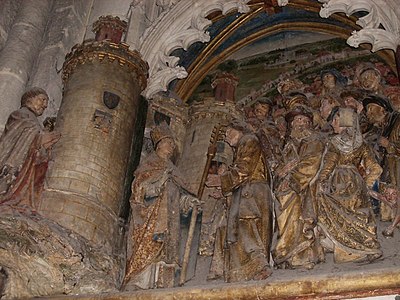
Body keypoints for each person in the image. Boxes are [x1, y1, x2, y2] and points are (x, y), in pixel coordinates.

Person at [123, 122, 200, 290]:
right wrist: (160, 181)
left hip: (170, 220)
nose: (172, 146)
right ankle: (139, 282)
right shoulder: (149, 165)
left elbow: (178, 197)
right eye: (168, 142)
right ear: (158, 145)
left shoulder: (174, 170)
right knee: (148, 250)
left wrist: (188, 201)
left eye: (173, 143)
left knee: (167, 253)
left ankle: (162, 284)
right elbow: (139, 191)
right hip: (151, 219)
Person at [206, 119, 273, 282]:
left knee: (245, 227)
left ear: (240, 129)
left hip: (252, 193)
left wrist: (220, 181)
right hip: (246, 192)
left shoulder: (248, 139)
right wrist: (223, 190)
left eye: (230, 132)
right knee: (232, 227)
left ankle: (259, 266)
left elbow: (244, 170)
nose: (227, 138)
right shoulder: (243, 145)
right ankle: (237, 268)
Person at [316, 108, 382, 263]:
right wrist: (366, 184)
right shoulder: (362, 144)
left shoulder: (335, 142)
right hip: (356, 181)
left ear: (345, 122)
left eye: (336, 119)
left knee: (337, 213)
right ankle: (368, 247)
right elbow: (376, 168)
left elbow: (328, 165)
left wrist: (321, 181)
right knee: (359, 215)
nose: (332, 123)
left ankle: (347, 250)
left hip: (339, 182)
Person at [273, 106, 324, 269]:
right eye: (297, 121)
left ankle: (302, 256)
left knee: (301, 220)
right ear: (292, 125)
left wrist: (293, 180)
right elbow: (280, 167)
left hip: (303, 188)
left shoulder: (313, 140)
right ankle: (287, 255)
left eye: (305, 121)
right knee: (285, 221)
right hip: (285, 189)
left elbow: (312, 162)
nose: (301, 124)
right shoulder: (287, 144)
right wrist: (280, 172)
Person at [0, 87, 60, 209]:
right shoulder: (19, 114)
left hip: (27, 166)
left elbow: (35, 140)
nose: (45, 105)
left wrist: (44, 145)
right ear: (29, 99)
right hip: (12, 161)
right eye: (42, 100)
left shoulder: (34, 121)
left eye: (46, 103)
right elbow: (12, 140)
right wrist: (39, 138)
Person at [363, 95, 400, 221]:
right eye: (367, 110)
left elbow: (391, 146)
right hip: (388, 167)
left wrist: (390, 146)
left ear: (382, 109)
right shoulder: (380, 127)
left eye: (371, 109)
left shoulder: (397, 122)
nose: (368, 113)